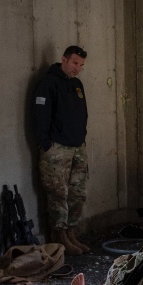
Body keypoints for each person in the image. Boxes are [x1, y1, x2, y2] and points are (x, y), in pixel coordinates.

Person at [32, 45, 90, 256]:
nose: (78, 68)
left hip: (77, 147)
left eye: (81, 65)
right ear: (64, 60)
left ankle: (71, 233)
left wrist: (81, 140)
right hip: (56, 148)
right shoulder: (48, 83)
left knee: (78, 192)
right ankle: (60, 237)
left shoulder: (77, 85)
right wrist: (45, 144)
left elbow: (82, 115)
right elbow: (41, 115)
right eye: (75, 63)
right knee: (58, 193)